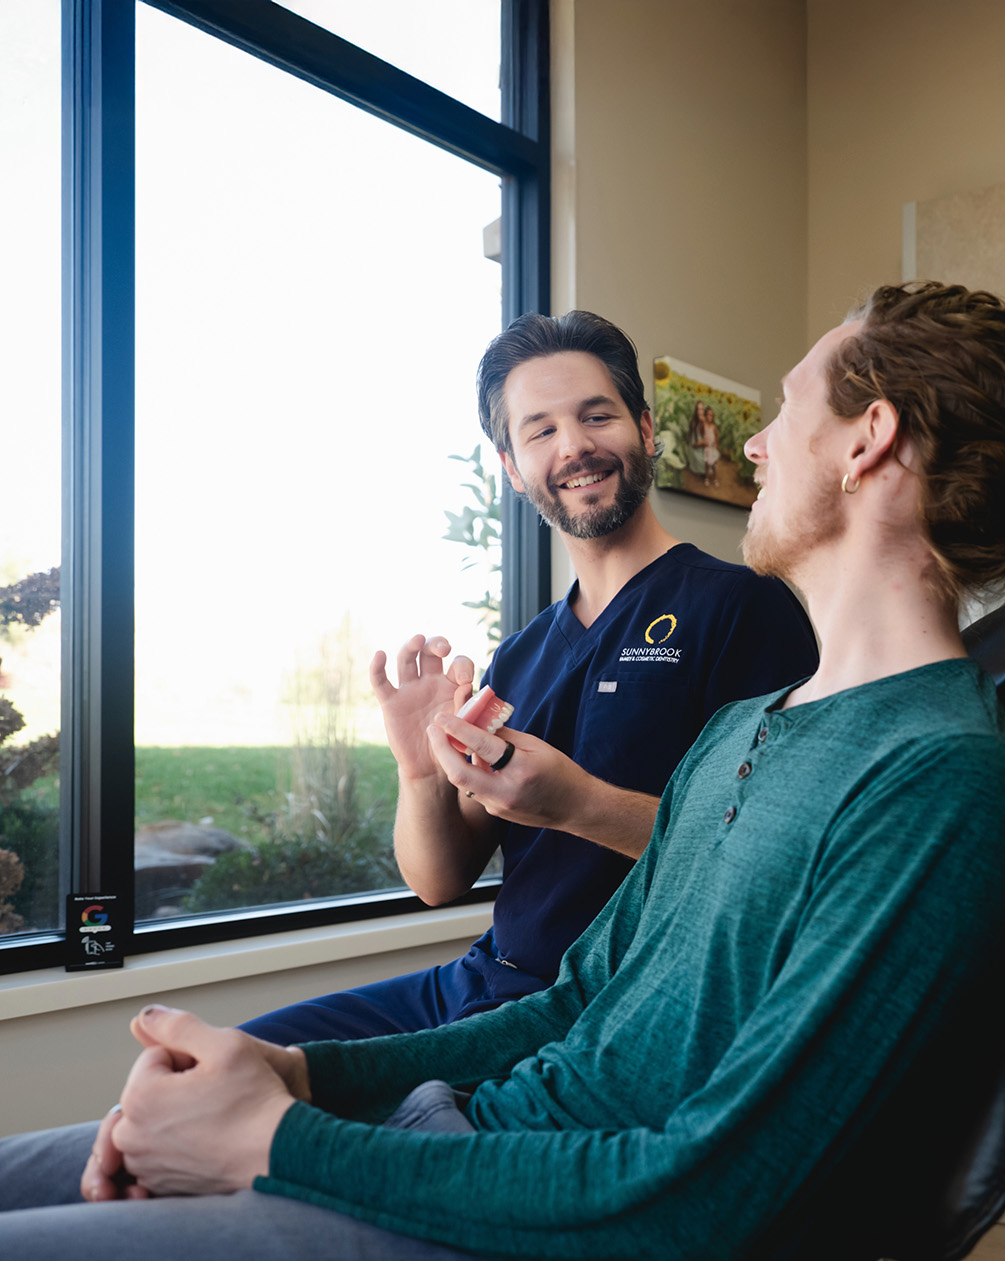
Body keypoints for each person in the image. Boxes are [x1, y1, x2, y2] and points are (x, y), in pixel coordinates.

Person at [0, 282, 1005, 1261]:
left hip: (581, 1249)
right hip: (474, 1140)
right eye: (535, 429)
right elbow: (569, 1011)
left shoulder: (942, 779)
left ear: (868, 440)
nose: (750, 450)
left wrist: (278, 1145)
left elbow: (719, 1199)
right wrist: (295, 1079)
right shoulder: (748, 733)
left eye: (785, 412)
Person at [239, 309, 818, 1045]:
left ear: (645, 430)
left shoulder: (740, 607)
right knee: (225, 1061)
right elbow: (440, 879)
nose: (574, 446)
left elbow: (775, 859)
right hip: (481, 979)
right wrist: (419, 773)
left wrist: (579, 804)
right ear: (512, 468)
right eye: (540, 430)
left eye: (596, 416)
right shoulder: (520, 654)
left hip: (604, 1010)